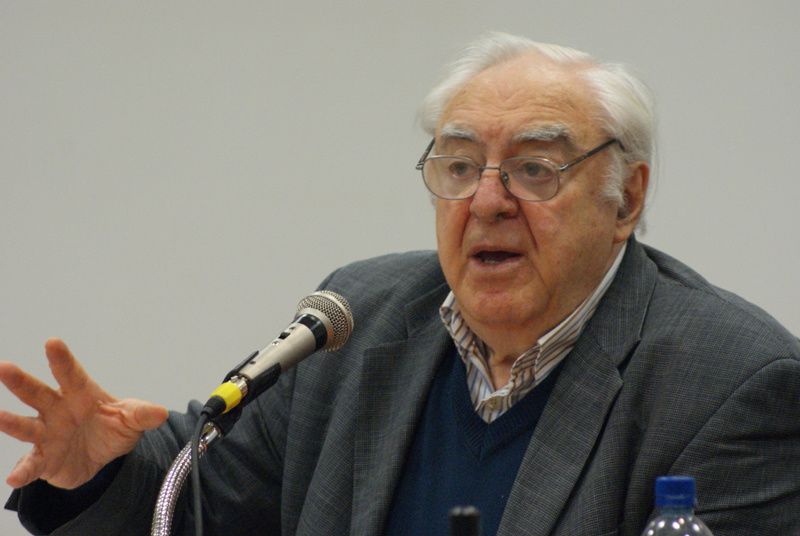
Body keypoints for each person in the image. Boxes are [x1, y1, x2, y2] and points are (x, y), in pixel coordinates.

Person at [2, 32, 799, 536]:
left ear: (625, 199)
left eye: (534, 168)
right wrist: (98, 469)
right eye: (459, 165)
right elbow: (197, 497)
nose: (487, 200)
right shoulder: (358, 321)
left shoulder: (732, 384)